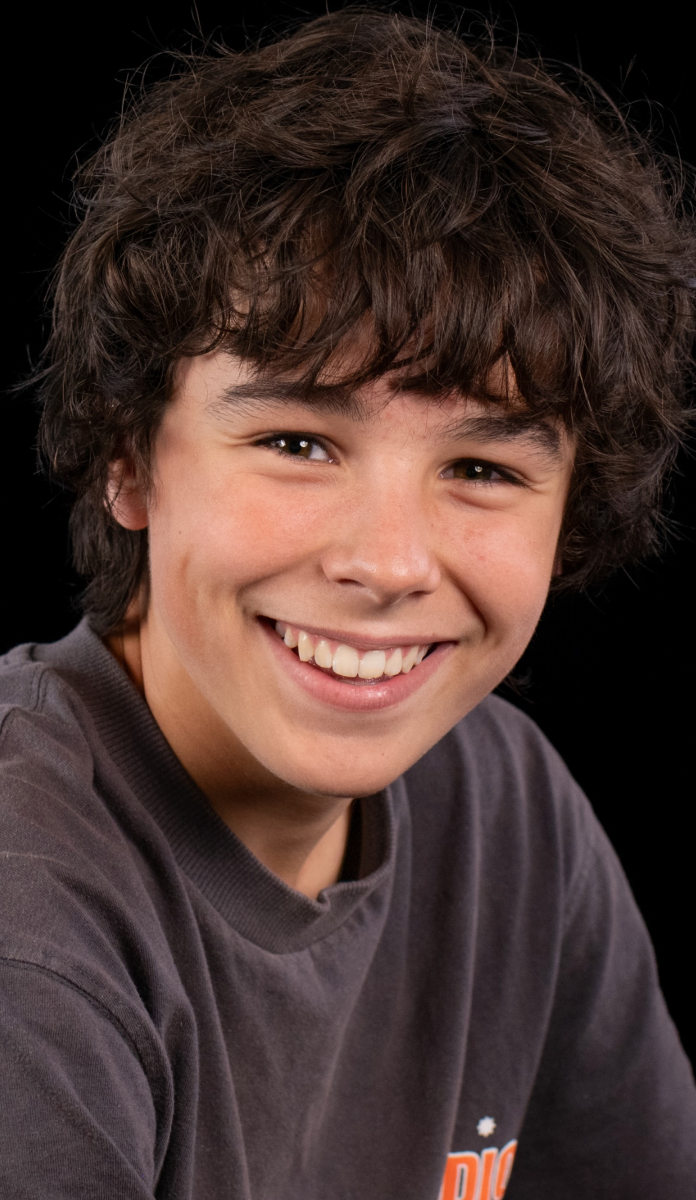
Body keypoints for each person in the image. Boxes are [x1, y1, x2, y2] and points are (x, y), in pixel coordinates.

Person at [1, 9, 694, 1197]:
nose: (389, 563)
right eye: (297, 443)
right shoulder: (27, 925)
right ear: (129, 458)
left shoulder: (507, 809)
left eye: (481, 469)